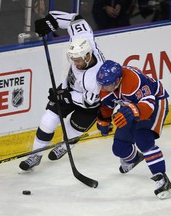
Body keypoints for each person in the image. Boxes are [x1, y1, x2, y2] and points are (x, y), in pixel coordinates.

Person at [19, 10, 105, 171]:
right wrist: (50, 22)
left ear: (87, 57)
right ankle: (35, 155)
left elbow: (89, 101)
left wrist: (66, 96)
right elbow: (75, 19)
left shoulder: (95, 77)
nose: (74, 62)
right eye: (72, 58)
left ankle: (66, 146)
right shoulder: (83, 39)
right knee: (47, 121)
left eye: (77, 60)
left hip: (90, 104)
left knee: (73, 130)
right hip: (70, 89)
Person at [96, 60, 171, 199]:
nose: (105, 88)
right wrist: (104, 120)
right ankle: (134, 159)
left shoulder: (133, 80)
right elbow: (107, 106)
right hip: (132, 107)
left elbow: (148, 107)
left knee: (143, 140)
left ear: (118, 79)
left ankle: (162, 179)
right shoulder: (106, 88)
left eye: (108, 85)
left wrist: (131, 111)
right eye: (103, 85)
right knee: (119, 147)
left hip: (155, 102)